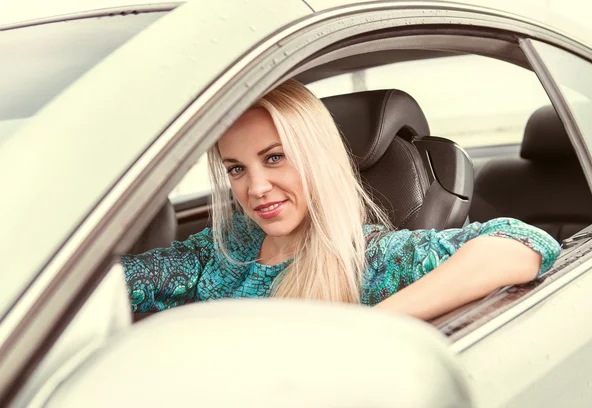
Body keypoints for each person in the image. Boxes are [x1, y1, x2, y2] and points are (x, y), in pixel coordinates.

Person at [122, 79, 561, 320]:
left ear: (317, 158)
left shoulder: (366, 259)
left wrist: (369, 330)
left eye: (275, 159)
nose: (254, 188)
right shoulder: (222, 250)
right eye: (237, 168)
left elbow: (522, 243)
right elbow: (117, 285)